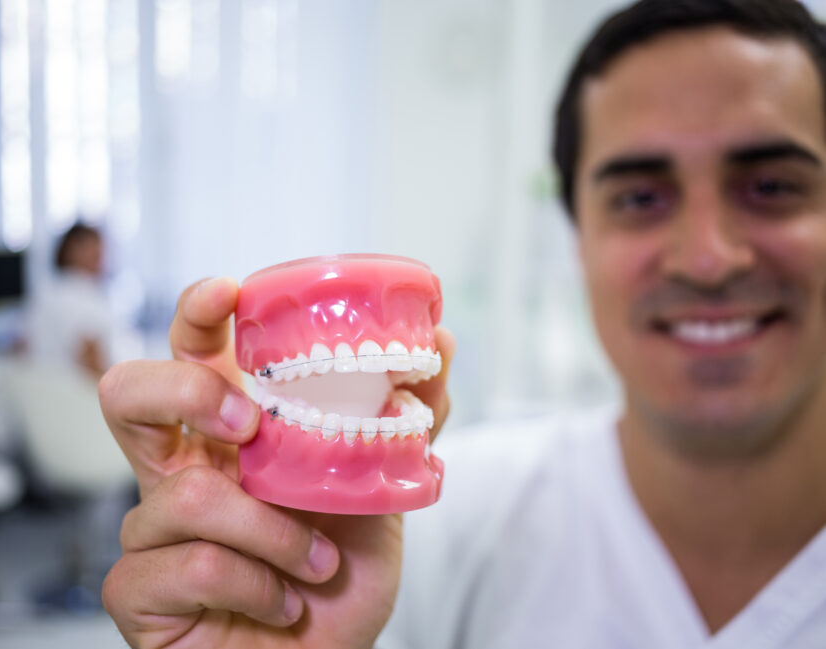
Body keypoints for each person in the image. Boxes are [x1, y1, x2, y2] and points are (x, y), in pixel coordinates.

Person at [98, 0, 826, 646]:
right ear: (579, 239)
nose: (707, 257)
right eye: (639, 198)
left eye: (772, 187)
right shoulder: (412, 536)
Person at [28, 223, 113, 379]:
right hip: (85, 395)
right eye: (95, 252)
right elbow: (92, 361)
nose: (101, 257)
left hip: (53, 391)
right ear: (72, 250)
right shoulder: (82, 294)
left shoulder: (49, 292)